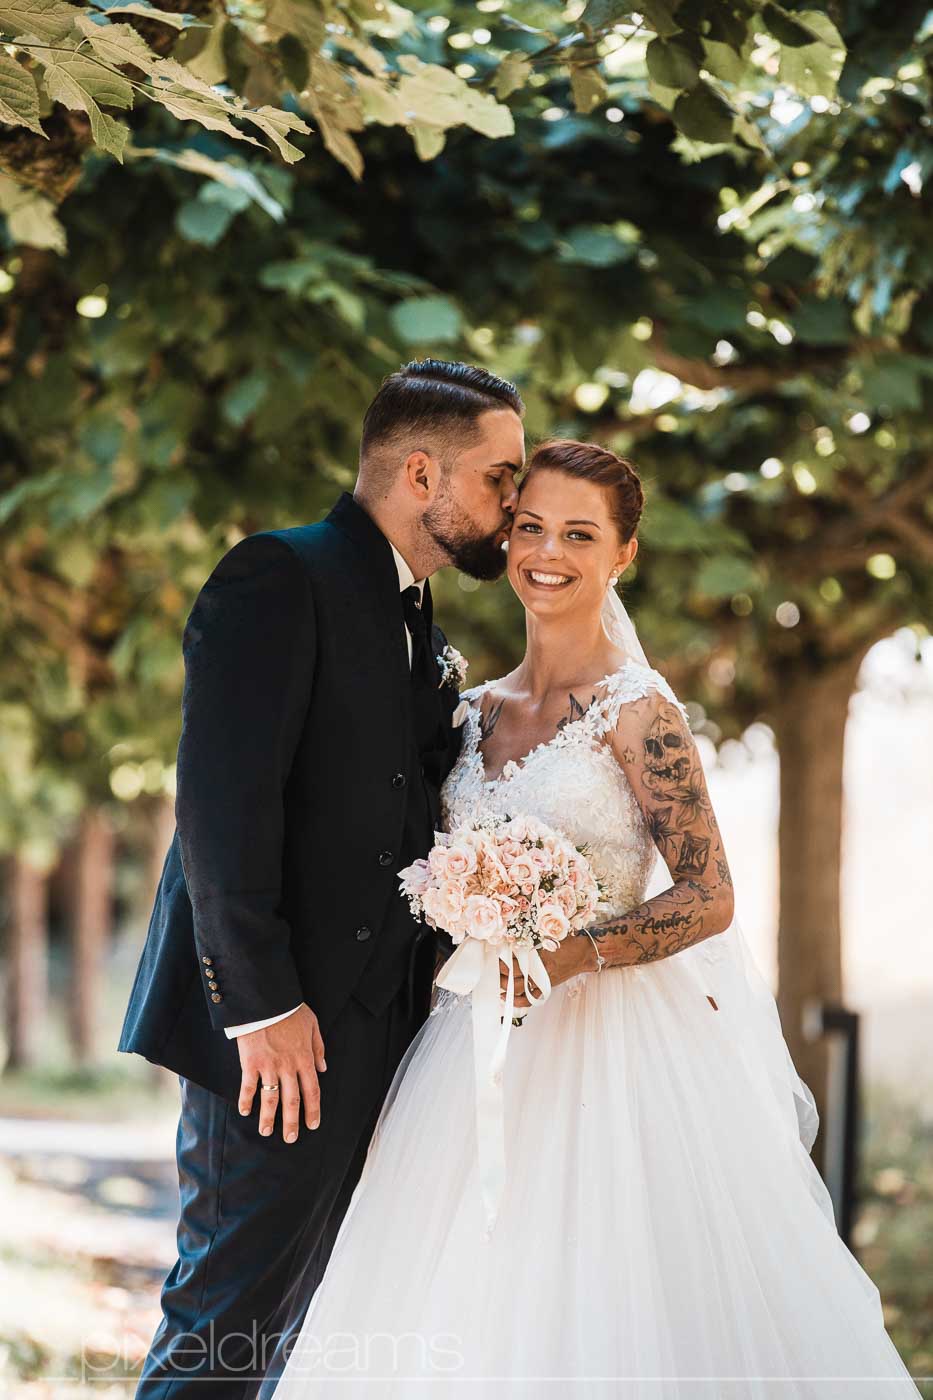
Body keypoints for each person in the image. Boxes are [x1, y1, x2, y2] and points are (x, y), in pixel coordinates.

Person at [258, 439, 922, 1399]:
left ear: (622, 555)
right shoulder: (469, 709)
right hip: (468, 1044)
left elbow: (708, 893)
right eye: (529, 526)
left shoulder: (638, 711)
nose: (546, 552)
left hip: (614, 1042)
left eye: (579, 533)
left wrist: (574, 955)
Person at [116, 358, 525, 1397]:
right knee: (227, 1320)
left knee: (312, 1330)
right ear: (421, 471)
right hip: (278, 1036)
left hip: (377, 1027)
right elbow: (220, 805)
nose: (513, 506)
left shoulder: (414, 613)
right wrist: (262, 1007)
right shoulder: (279, 575)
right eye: (500, 477)